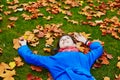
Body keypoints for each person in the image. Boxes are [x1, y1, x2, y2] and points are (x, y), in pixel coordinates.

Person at [18, 33, 103, 80]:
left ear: (74, 43)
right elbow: (31, 58)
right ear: (59, 47)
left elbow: (98, 49)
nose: (65, 40)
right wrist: (24, 46)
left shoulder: (85, 58)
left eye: (67, 39)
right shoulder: (53, 59)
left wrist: (86, 41)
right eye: (62, 40)